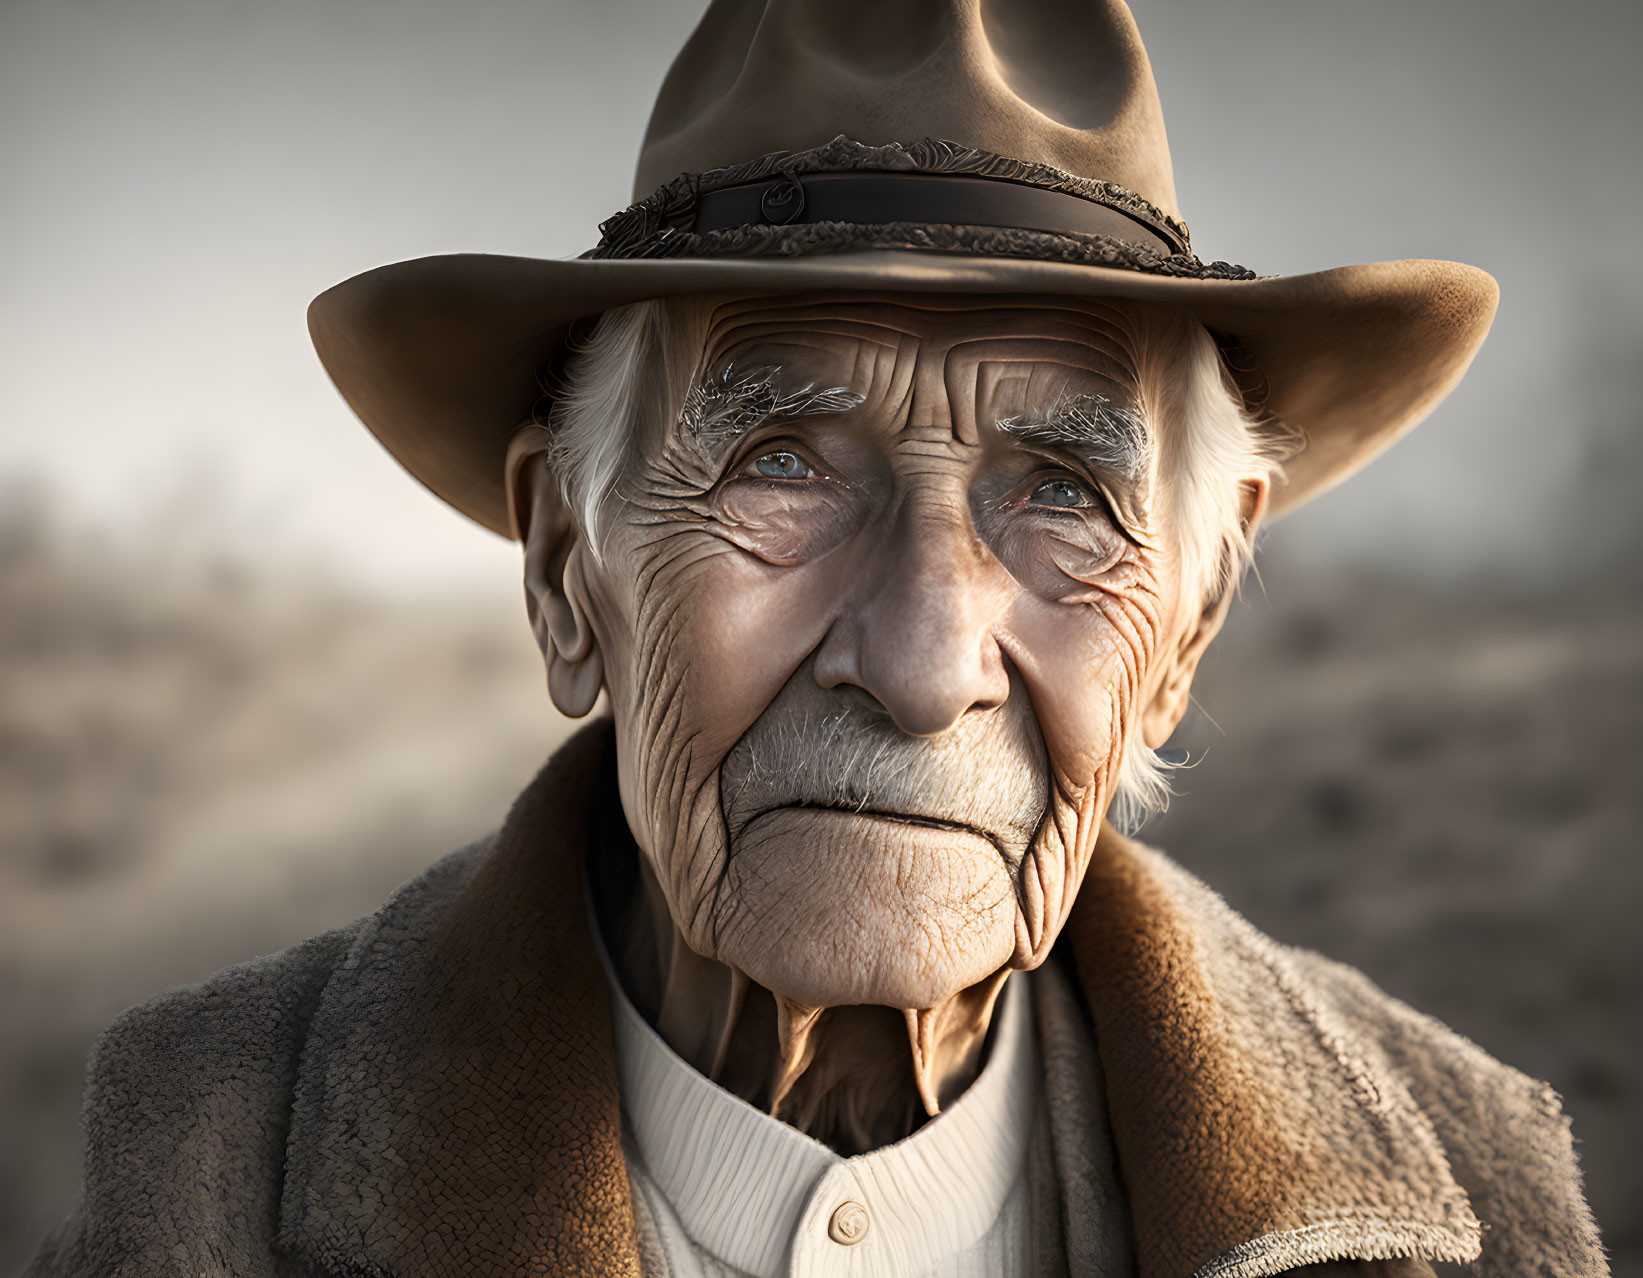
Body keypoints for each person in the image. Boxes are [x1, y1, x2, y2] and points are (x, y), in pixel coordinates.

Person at [26, 1, 1606, 1275]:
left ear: (1187, 621)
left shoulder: (1477, 1190)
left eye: (1063, 490)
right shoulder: (206, 1160)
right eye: (780, 461)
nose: (924, 665)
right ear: (570, 566)